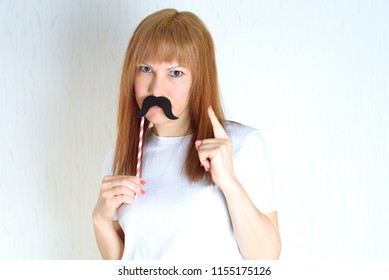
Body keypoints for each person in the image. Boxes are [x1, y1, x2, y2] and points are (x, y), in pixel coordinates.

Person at [92, 8, 281, 260]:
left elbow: (267, 259)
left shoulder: (241, 145)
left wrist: (229, 183)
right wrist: (101, 219)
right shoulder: (120, 158)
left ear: (199, 80)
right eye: (146, 69)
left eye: (176, 73)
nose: (156, 88)